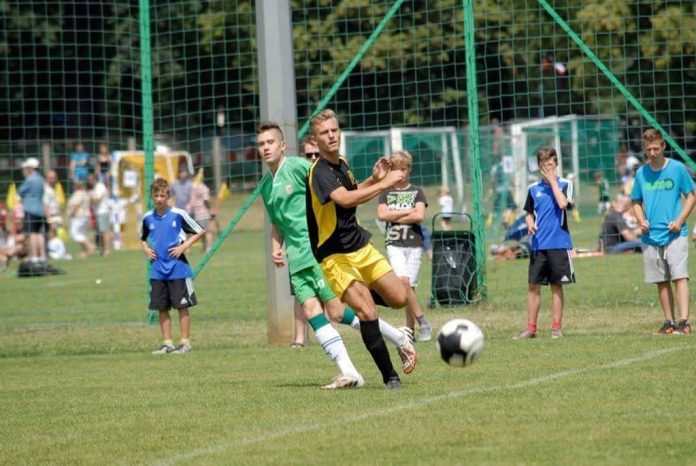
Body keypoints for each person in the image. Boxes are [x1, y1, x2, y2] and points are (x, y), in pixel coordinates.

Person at [306, 109, 416, 389]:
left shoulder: (341, 163)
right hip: (335, 255)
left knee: (399, 298)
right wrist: (387, 183)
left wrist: (374, 180)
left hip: (360, 245)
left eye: (334, 130)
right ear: (315, 140)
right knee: (367, 311)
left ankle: (360, 296)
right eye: (324, 133)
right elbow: (344, 199)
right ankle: (390, 377)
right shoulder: (319, 171)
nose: (331, 136)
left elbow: (353, 193)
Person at [257, 122, 363, 388]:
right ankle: (349, 372)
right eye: (261, 144)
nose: (265, 148)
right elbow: (277, 222)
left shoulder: (300, 167)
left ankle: (396, 337)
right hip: (296, 258)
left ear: (283, 146)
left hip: (318, 251)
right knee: (312, 311)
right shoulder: (265, 185)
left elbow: (328, 186)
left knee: (336, 312)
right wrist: (276, 247)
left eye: (270, 142)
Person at [631, 129, 695, 335]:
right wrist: (641, 220)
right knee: (661, 280)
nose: (652, 153)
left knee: (680, 277)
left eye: (656, 148)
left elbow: (691, 196)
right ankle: (669, 322)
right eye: (648, 149)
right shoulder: (641, 173)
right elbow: (636, 201)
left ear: (663, 146)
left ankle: (684, 322)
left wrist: (680, 220)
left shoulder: (677, 169)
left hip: (675, 234)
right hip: (650, 237)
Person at [514, 146, 574, 339]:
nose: (547, 168)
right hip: (539, 245)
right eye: (543, 165)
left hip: (559, 244)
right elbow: (528, 213)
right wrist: (530, 224)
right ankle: (531, 328)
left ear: (556, 164)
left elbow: (563, 204)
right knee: (533, 286)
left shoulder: (565, 184)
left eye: (550, 164)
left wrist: (553, 182)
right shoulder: (533, 189)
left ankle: (556, 328)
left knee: (557, 286)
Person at [141, 178, 206, 354]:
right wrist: (145, 248)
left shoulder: (178, 214)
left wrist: (184, 246)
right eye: (156, 195)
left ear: (168, 196)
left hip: (178, 270)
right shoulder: (147, 218)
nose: (159, 199)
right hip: (157, 271)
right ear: (152, 196)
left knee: (181, 307)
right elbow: (143, 238)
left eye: (162, 195)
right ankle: (167, 343)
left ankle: (185, 343)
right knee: (161, 308)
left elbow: (200, 230)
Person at [376, 150, 433, 341]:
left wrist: (394, 215)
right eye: (397, 169)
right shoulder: (386, 192)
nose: (401, 173)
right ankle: (422, 321)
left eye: (404, 169)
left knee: (410, 287)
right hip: (394, 243)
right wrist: (408, 212)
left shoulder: (417, 192)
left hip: (414, 244)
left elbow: (420, 216)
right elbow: (382, 215)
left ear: (409, 169)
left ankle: (410, 330)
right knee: (403, 282)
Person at [18, 157, 46, 264]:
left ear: (31, 168)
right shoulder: (41, 178)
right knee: (39, 234)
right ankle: (42, 256)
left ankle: (34, 257)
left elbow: (20, 191)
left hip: (30, 209)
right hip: (40, 209)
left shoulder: (29, 179)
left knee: (32, 234)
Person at [66, 180, 95, 258]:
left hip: (78, 216)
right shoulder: (85, 194)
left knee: (74, 234)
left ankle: (89, 245)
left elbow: (75, 205)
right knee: (82, 234)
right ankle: (83, 252)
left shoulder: (77, 194)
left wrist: (70, 214)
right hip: (85, 216)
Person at [187, 173, 213, 253]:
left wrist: (209, 209)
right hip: (197, 213)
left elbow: (206, 200)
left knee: (207, 231)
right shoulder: (195, 188)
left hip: (203, 213)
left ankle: (209, 248)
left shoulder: (203, 188)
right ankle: (205, 247)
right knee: (202, 232)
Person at [88, 173, 112, 256]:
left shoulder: (100, 187)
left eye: (90, 179)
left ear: (95, 179)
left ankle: (107, 250)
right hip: (98, 212)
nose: (89, 181)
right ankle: (103, 249)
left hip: (103, 212)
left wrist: (88, 197)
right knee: (101, 232)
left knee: (105, 231)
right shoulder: (94, 188)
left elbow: (96, 200)